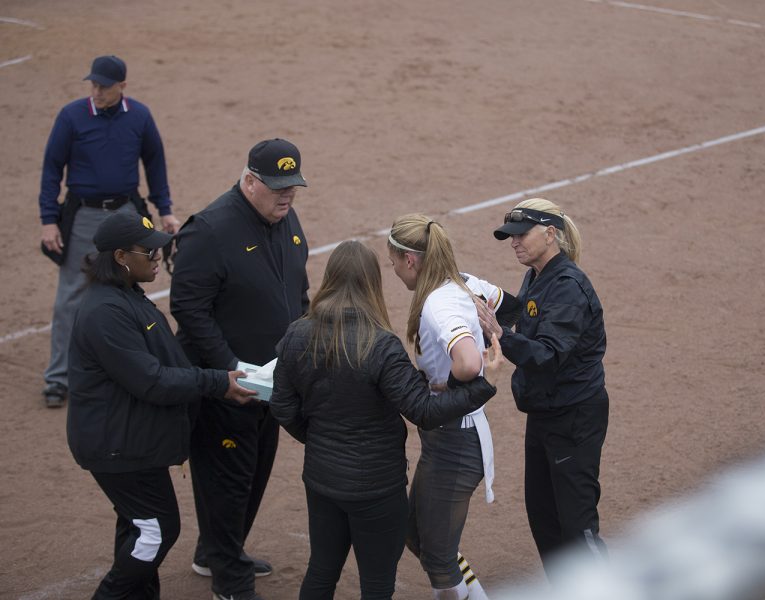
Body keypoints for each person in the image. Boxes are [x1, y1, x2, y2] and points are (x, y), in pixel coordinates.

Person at [269, 240, 502, 600]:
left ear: (329, 279)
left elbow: (282, 405)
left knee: (321, 571)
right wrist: (481, 387)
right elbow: (423, 411)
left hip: (321, 480)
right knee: (376, 585)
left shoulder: (296, 335)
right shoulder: (381, 346)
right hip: (377, 488)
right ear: (371, 284)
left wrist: (319, 440)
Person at [66, 210, 256, 599]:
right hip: (118, 448)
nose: (157, 258)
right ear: (120, 257)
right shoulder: (106, 312)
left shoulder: (125, 296)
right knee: (157, 529)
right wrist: (216, 382)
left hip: (130, 441)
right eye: (148, 252)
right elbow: (151, 380)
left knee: (136, 525)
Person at [169, 138, 310, 600]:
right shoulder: (209, 230)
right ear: (249, 181)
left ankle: (215, 553)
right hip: (224, 387)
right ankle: (230, 580)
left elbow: (298, 289)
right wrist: (230, 369)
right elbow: (189, 309)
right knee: (227, 482)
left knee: (254, 473)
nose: (287, 196)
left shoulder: (286, 220)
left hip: (272, 383)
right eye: (277, 188)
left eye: (292, 187)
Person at [387, 214, 520, 600]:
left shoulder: (437, 305)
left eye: (393, 261)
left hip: (456, 447)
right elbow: (513, 307)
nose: (393, 270)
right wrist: (498, 331)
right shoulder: (462, 282)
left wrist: (456, 384)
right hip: (448, 441)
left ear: (410, 260)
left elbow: (468, 363)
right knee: (415, 532)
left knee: (439, 558)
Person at [476, 198, 609, 579]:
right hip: (545, 412)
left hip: (573, 418)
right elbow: (531, 317)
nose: (514, 242)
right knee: (544, 516)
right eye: (509, 237)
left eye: (521, 234)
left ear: (551, 234)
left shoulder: (567, 286)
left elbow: (549, 353)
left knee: (577, 526)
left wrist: (500, 333)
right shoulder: (537, 275)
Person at [39, 54, 179, 408]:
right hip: (84, 214)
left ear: (122, 87)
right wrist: (48, 219)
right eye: (94, 84)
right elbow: (52, 168)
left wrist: (165, 211)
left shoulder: (141, 117)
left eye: (103, 85)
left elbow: (155, 164)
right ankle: (58, 378)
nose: (96, 90)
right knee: (70, 294)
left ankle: (128, 367)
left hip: (127, 214)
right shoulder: (71, 116)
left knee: (129, 287)